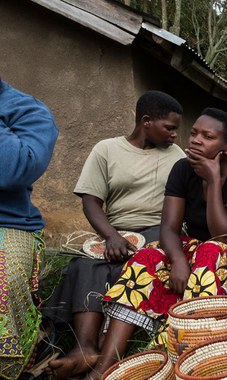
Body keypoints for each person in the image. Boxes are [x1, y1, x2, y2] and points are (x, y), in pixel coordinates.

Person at [83, 108, 227, 379]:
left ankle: (171, 355)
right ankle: (104, 366)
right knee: (147, 257)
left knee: (210, 251)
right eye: (194, 133)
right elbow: (168, 227)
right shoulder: (182, 168)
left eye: (208, 136)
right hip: (195, 245)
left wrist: (212, 180)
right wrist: (178, 261)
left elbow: (224, 235)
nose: (196, 140)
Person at [43, 91, 185, 379]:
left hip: (161, 230)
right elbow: (90, 200)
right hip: (117, 230)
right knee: (84, 265)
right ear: (146, 122)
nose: (174, 135)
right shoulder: (107, 150)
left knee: (138, 263)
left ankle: (104, 353)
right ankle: (85, 348)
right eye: (169, 128)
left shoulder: (177, 157)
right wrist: (110, 236)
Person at [0, 78, 58, 379]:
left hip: (7, 221)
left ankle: (12, 366)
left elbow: (12, 170)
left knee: (4, 280)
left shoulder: (30, 112)